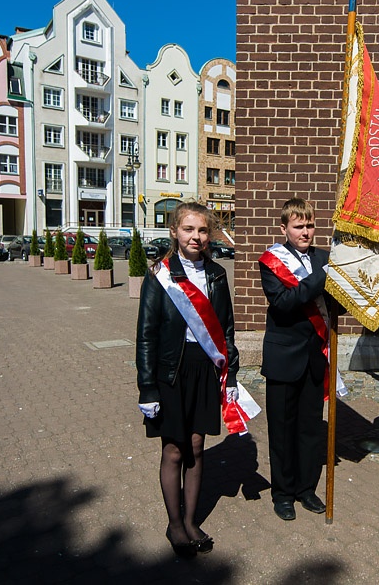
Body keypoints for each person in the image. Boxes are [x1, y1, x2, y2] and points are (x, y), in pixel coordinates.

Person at [136, 202, 239, 556]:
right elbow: (146, 334)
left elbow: (225, 330)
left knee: (197, 445)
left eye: (202, 230)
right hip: (171, 371)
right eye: (188, 229)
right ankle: (175, 524)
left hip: (204, 368)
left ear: (209, 234)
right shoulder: (159, 275)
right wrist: (147, 387)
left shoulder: (217, 275)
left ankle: (192, 520)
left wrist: (233, 376)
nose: (196, 236)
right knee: (174, 448)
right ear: (174, 232)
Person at [258, 197, 330, 521]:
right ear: (284, 228)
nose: (306, 231)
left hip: (315, 355)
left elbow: (335, 304)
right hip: (284, 356)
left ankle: (305, 489)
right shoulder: (270, 261)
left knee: (311, 430)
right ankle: (283, 493)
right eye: (298, 226)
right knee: (283, 430)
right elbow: (284, 302)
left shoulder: (325, 258)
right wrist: (322, 277)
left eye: (310, 225)